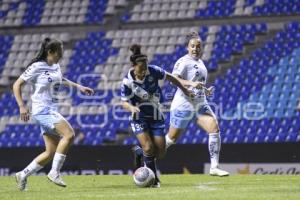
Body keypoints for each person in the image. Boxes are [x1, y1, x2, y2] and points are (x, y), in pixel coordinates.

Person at [13, 38, 94, 191]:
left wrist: (79, 86)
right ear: (49, 52)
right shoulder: (36, 67)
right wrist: (21, 106)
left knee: (50, 152)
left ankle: (22, 175)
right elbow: (17, 84)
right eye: (59, 53)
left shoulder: (55, 65)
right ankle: (54, 172)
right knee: (69, 134)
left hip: (51, 110)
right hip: (42, 110)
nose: (61, 55)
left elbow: (60, 79)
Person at [121, 44, 202, 187]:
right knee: (149, 148)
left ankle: (139, 152)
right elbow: (123, 103)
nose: (144, 72)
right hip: (139, 117)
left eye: (146, 68)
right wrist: (132, 107)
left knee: (161, 151)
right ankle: (153, 180)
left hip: (156, 114)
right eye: (141, 69)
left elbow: (171, 78)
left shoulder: (153, 71)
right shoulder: (127, 82)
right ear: (133, 67)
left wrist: (184, 89)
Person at [165, 31, 229, 177]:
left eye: (198, 46)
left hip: (200, 103)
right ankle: (148, 158)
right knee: (171, 139)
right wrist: (191, 84)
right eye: (192, 46)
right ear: (188, 47)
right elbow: (173, 79)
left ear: (201, 48)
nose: (195, 49)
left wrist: (205, 91)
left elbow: (197, 83)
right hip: (184, 104)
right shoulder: (183, 62)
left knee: (214, 129)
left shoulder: (200, 63)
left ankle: (214, 167)